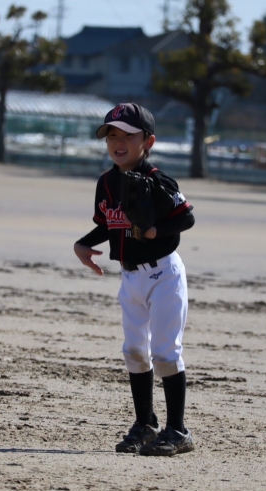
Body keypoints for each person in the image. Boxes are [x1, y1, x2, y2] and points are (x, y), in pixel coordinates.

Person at [73, 103, 196, 457]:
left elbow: (186, 218)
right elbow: (107, 224)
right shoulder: (106, 183)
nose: (118, 142)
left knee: (165, 353)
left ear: (148, 142)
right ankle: (146, 424)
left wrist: (156, 229)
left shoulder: (158, 181)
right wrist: (83, 244)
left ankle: (178, 431)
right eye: (111, 135)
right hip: (130, 277)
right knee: (134, 352)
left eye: (127, 135)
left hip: (164, 275)